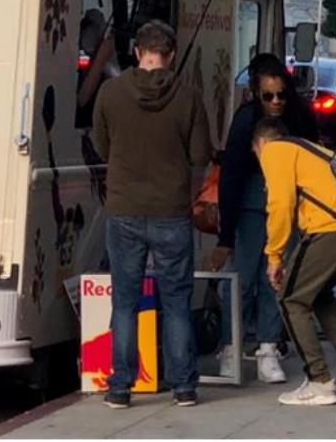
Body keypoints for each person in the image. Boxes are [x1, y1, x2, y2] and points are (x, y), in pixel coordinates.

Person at [92, 20, 212, 410]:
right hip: (172, 209)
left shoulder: (110, 93)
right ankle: (183, 387)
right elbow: (200, 155)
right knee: (176, 300)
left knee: (125, 301)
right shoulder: (188, 97)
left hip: (123, 207)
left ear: (136, 51)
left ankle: (121, 387)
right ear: (171, 54)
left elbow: (101, 145)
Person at [210, 54, 318, 383]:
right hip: (249, 207)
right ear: (256, 93)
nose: (275, 101)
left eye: (281, 94)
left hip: (288, 205)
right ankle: (232, 346)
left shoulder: (300, 117)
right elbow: (231, 177)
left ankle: (269, 347)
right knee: (242, 278)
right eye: (268, 95)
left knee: (275, 279)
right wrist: (225, 237)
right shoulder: (245, 122)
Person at [254, 117, 336, 407]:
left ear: (260, 143)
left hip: (329, 230)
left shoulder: (275, 150)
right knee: (317, 292)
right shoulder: (310, 149)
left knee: (290, 299)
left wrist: (274, 256)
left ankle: (318, 381)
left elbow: (280, 205)